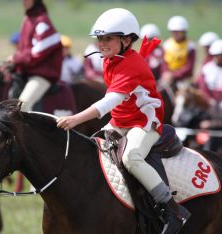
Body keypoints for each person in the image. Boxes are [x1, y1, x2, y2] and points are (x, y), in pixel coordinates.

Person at [57, 8, 190, 233]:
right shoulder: (110, 59)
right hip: (121, 120)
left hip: (145, 122)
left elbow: (108, 102)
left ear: (126, 40)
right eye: (99, 38)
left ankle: (173, 210)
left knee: (131, 157)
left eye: (108, 38)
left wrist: (75, 119)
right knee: (91, 146)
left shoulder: (132, 65)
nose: (102, 43)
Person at [6, 0, 63, 112]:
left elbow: (37, 53)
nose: (23, 2)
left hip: (42, 75)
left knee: (22, 106)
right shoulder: (27, 19)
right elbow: (24, 49)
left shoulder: (43, 22)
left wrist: (16, 58)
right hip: (26, 72)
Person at [161, 16, 196, 91]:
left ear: (184, 32)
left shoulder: (190, 46)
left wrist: (173, 75)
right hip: (167, 78)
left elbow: (189, 67)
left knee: (181, 99)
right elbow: (164, 62)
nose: (176, 34)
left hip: (184, 79)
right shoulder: (166, 44)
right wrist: (166, 73)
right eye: (174, 31)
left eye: (179, 31)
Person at [195, 39, 222, 105]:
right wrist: (209, 99)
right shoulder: (206, 69)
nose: (220, 57)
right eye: (217, 55)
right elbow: (203, 86)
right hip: (208, 102)